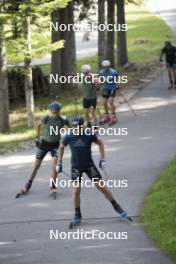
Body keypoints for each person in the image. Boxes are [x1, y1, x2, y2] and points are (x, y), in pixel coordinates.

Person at [56, 116, 132, 228]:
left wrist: (102, 159)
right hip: (76, 167)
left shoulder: (89, 134)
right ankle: (77, 214)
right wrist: (59, 162)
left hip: (89, 165)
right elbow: (61, 147)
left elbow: (100, 143)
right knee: (76, 190)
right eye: (74, 127)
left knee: (102, 187)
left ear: (83, 125)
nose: (75, 129)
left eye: (77, 127)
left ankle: (116, 206)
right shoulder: (69, 135)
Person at [18, 102, 69, 196]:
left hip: (55, 145)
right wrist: (37, 137)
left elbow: (70, 128)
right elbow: (38, 125)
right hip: (44, 144)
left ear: (59, 111)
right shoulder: (47, 118)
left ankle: (53, 187)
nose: (55, 114)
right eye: (53, 112)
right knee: (36, 166)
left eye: (57, 112)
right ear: (51, 111)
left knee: (55, 168)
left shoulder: (63, 119)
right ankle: (28, 184)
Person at [99, 60, 119, 124]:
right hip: (106, 89)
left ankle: (113, 116)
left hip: (112, 88)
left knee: (110, 102)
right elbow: (100, 80)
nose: (105, 68)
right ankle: (107, 116)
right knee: (104, 103)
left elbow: (118, 79)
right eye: (104, 67)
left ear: (109, 66)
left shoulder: (113, 72)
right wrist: (99, 87)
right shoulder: (101, 72)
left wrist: (117, 85)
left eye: (106, 67)